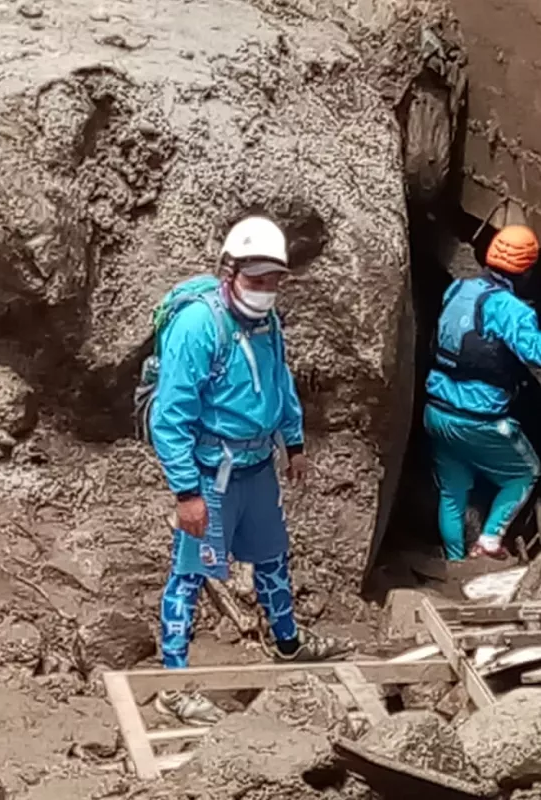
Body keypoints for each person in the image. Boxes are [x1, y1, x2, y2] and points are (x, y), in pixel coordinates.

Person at [147, 215, 349, 726]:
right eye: (255, 281)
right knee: (192, 574)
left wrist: (295, 441)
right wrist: (185, 491)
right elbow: (170, 415)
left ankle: (287, 643)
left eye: (273, 281)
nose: (265, 291)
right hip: (211, 472)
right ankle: (174, 683)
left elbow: (279, 381)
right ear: (230, 271)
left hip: (257, 464)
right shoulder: (200, 326)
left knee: (273, 557)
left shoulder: (267, 322)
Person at [424, 224, 541, 561]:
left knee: (452, 493)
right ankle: (489, 542)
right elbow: (537, 352)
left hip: (437, 411)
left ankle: (455, 561)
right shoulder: (512, 310)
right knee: (524, 473)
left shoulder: (458, 289)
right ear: (527, 272)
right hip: (479, 420)